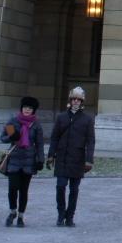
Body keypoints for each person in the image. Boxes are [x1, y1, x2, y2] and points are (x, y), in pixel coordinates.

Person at [47, 86, 95, 228]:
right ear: (70, 100)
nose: (75, 102)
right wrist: (51, 155)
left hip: (78, 159)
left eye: (78, 100)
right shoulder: (61, 117)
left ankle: (70, 216)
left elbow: (90, 141)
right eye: (73, 99)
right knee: (60, 187)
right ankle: (61, 214)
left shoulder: (87, 119)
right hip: (62, 157)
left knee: (74, 190)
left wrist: (89, 160)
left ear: (81, 102)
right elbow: (54, 137)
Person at [0, 95, 44, 228]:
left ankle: (21, 216)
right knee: (12, 188)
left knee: (24, 190)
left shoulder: (36, 124)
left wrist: (40, 159)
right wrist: (12, 136)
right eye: (25, 107)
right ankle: (12, 211)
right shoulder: (13, 122)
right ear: (21, 108)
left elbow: (39, 144)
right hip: (14, 160)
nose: (27, 110)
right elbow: (3, 138)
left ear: (33, 110)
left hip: (29, 161)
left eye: (30, 108)